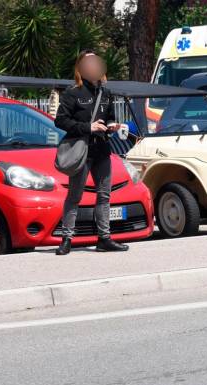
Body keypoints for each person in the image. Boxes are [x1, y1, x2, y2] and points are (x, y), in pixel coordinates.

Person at [54, 50, 129, 255]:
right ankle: (67, 239)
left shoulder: (106, 93)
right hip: (82, 151)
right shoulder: (73, 93)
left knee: (104, 195)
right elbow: (60, 120)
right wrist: (88, 127)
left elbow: (110, 116)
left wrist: (112, 125)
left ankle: (104, 239)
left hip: (102, 150)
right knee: (75, 195)